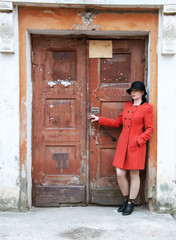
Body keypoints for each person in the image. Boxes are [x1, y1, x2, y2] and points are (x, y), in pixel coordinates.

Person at [88, 81, 154, 216]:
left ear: (142, 93)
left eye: (136, 90)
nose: (133, 93)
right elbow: (117, 122)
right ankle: (125, 199)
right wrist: (99, 119)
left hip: (136, 146)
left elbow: (149, 129)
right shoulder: (127, 106)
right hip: (123, 145)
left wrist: (139, 140)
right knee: (120, 173)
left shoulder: (147, 108)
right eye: (132, 91)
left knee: (134, 175)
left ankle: (131, 202)